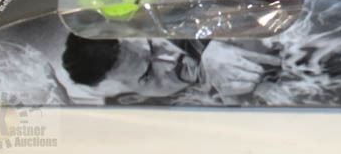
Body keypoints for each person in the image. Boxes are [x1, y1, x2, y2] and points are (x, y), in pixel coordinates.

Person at [61, 34, 279, 102]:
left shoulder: (190, 33)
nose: (172, 59)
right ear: (131, 98)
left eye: (154, 46)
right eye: (148, 75)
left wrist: (222, 42)